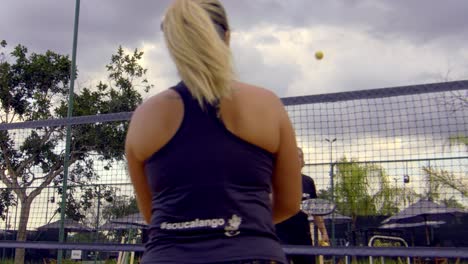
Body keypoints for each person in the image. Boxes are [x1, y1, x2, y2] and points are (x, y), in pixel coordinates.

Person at [125, 0, 302, 263]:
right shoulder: (266, 104)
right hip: (252, 253)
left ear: (174, 46)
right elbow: (289, 204)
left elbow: (153, 215)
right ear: (227, 37)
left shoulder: (145, 117)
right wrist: (243, 223)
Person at [275, 148, 330, 264]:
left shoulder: (308, 181)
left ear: (303, 161)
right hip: (281, 234)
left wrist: (324, 232)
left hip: (302, 234)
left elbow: (315, 211)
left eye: (300, 156)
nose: (296, 159)